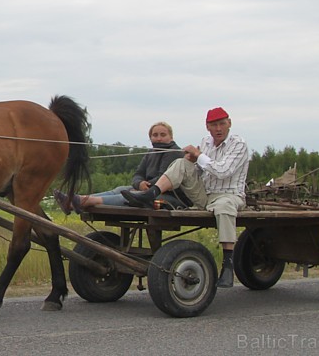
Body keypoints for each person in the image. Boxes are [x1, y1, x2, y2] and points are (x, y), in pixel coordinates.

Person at [122, 107, 249, 288]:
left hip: (229, 194)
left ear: (229, 123)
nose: (218, 129)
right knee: (180, 162)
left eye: (222, 124)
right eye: (214, 125)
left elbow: (223, 171)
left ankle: (228, 266)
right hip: (205, 194)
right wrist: (191, 160)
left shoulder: (239, 144)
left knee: (224, 208)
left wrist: (199, 155)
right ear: (207, 127)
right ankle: (152, 194)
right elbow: (199, 170)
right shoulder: (206, 142)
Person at [54, 122, 187, 214]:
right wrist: (139, 183)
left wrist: (145, 186)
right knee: (120, 189)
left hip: (168, 196)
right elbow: (138, 174)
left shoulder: (174, 152)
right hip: (147, 190)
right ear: (150, 137)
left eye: (163, 135)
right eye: (155, 135)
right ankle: (77, 199)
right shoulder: (150, 152)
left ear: (171, 137)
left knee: (131, 194)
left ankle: (84, 201)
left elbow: (164, 177)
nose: (158, 138)